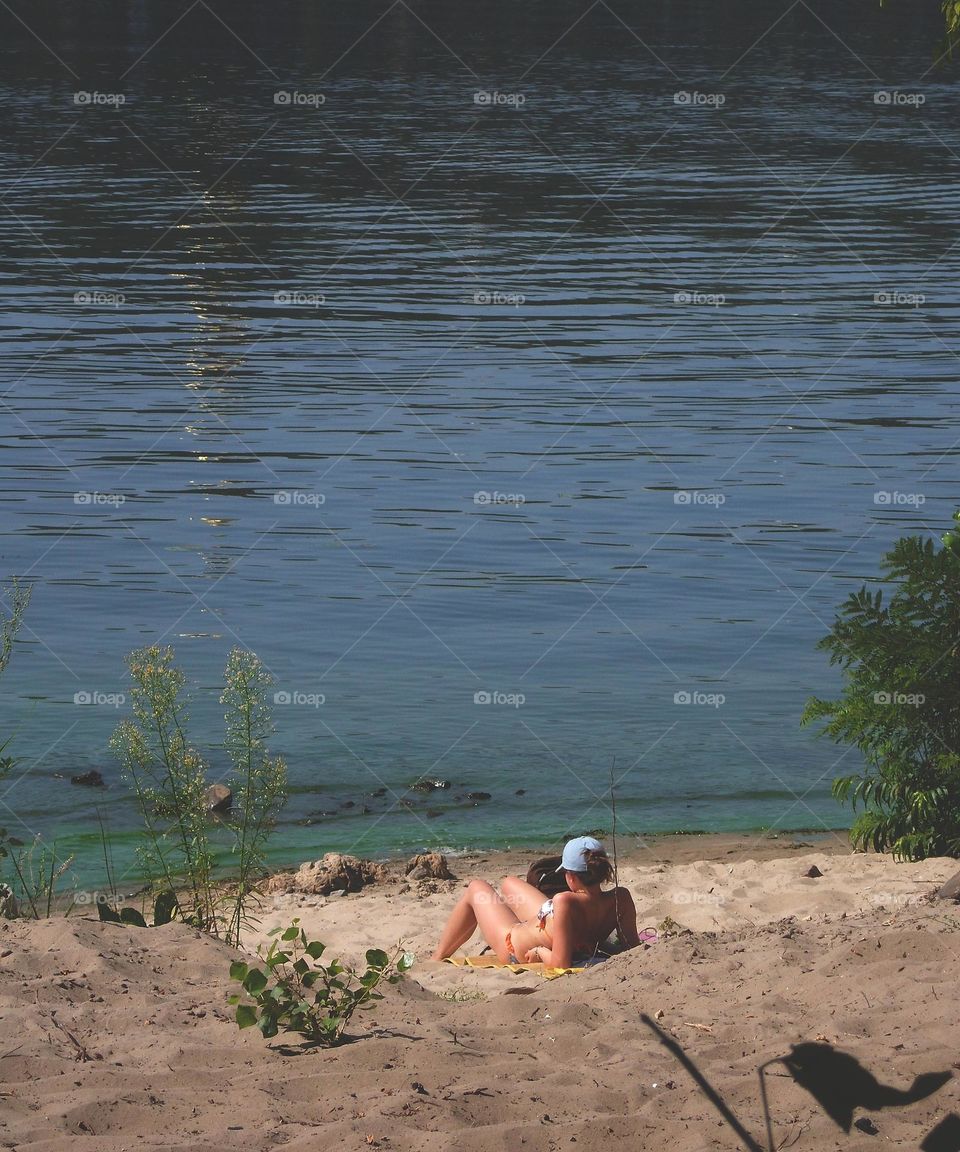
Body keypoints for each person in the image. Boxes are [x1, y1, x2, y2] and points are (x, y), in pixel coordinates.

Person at [430, 836, 640, 966]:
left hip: (514, 946)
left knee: (476, 888)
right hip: (551, 926)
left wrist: (540, 952)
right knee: (509, 884)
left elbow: (561, 964)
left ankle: (437, 958)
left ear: (571, 877)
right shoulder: (621, 897)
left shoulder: (565, 901)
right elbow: (631, 949)